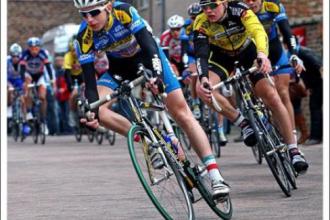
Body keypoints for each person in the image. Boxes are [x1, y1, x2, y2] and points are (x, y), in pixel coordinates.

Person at [72, 0, 230, 197]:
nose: (89, 19)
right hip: (119, 70)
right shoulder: (83, 36)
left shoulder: (124, 12)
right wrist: (92, 113)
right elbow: (89, 80)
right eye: (83, 15)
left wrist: (158, 76)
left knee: (181, 113)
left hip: (148, 59)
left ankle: (215, 176)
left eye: (94, 13)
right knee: (98, 109)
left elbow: (149, 46)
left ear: (109, 8)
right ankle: (148, 141)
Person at [193, 0, 308, 174]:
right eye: (204, 7)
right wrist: (203, 78)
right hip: (221, 57)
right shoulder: (201, 22)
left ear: (224, 2)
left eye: (213, 6)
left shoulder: (239, 9)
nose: (208, 11)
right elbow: (201, 53)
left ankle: (294, 150)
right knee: (203, 91)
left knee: (272, 96)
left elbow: (258, 30)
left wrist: (262, 54)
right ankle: (243, 122)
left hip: (248, 52)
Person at [242, 0, 306, 145]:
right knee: (265, 97)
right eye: (247, 0)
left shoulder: (273, 6)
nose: (251, 3)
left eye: (255, 0)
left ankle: (292, 134)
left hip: (275, 52)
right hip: (254, 54)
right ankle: (269, 127)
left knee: (283, 93)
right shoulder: (240, 11)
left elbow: (287, 32)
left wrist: (294, 54)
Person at [19, 37, 55, 129]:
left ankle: (43, 120)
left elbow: (48, 67)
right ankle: (29, 112)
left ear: (39, 48)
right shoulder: (25, 54)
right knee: (27, 92)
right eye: (32, 48)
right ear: (28, 48)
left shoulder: (43, 53)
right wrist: (23, 81)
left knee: (42, 97)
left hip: (40, 75)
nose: (34, 50)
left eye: (36, 48)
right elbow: (22, 69)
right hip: (29, 75)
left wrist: (51, 79)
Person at [7, 43, 31, 135]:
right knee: (9, 92)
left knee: (23, 100)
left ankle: (25, 122)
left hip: (19, 81)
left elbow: (28, 76)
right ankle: (10, 115)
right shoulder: (6, 61)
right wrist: (9, 85)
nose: (15, 58)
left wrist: (26, 85)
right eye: (13, 56)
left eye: (17, 56)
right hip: (9, 81)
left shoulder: (23, 61)